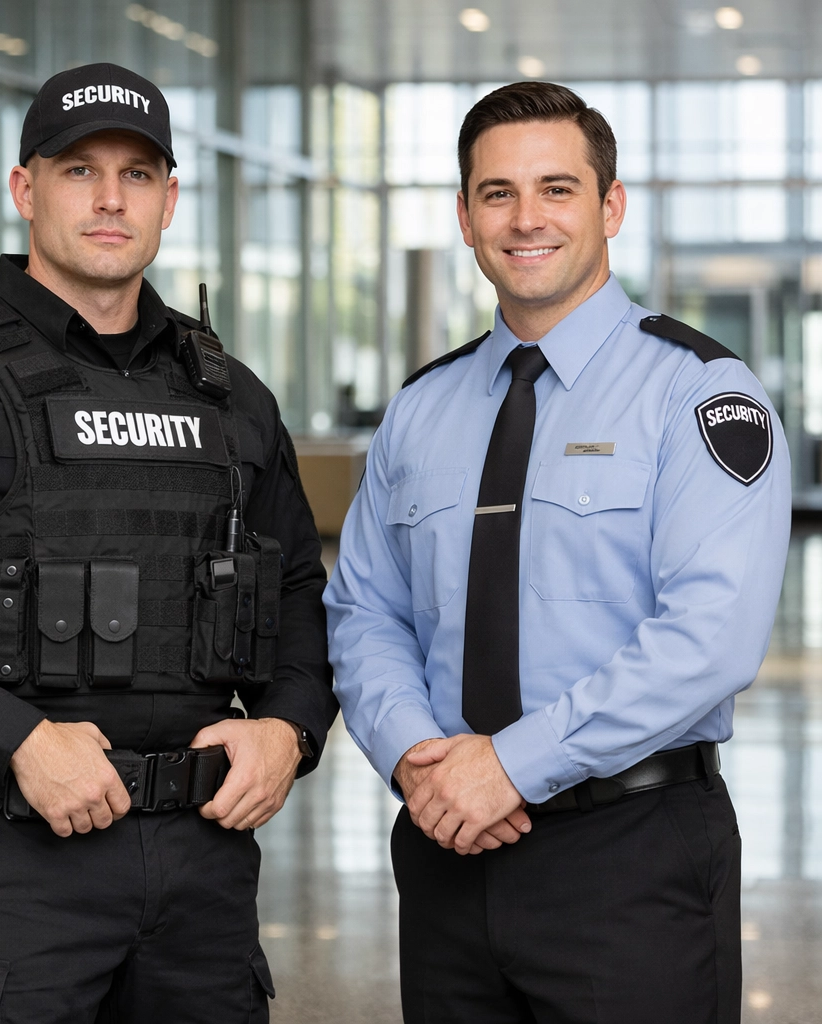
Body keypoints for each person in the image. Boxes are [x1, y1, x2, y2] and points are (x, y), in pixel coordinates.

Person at [0, 62, 336, 1022]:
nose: (108, 197)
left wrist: (287, 731)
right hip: (1, 864)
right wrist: (15, 739)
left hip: (200, 873)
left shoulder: (232, 400)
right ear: (24, 189)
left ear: (169, 200)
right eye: (77, 169)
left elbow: (299, 591)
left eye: (137, 174)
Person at [324, 81, 791, 1024]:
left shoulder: (698, 394)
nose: (525, 218)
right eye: (497, 193)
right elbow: (364, 610)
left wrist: (510, 766)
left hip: (631, 855)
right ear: (464, 216)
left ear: (610, 205)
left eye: (557, 188)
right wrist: (418, 755)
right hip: (449, 852)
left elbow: (709, 638)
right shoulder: (422, 407)